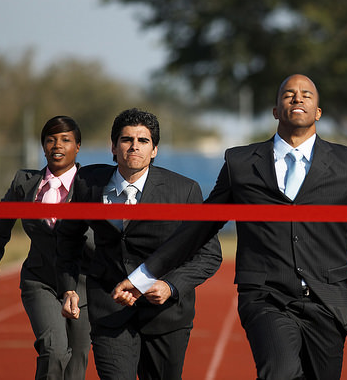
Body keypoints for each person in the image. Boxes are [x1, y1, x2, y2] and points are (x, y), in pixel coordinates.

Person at [112, 74, 347, 380]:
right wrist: (143, 276)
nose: (297, 98)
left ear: (318, 111)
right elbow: (198, 229)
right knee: (280, 372)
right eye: (288, 94)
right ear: (275, 110)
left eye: (306, 95)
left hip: (329, 301)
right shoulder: (240, 162)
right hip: (267, 297)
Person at [55, 108, 222, 380]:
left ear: (154, 150)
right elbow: (68, 236)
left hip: (166, 315)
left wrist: (170, 286)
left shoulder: (184, 190)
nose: (134, 147)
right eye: (126, 140)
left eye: (143, 141)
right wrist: (68, 288)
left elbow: (209, 254)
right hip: (109, 310)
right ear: (113, 146)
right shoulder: (88, 183)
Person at [0, 115, 92, 379]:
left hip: (83, 283)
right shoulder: (23, 182)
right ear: (43, 146)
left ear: (78, 146)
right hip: (40, 280)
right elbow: (3, 221)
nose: (57, 145)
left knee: (76, 364)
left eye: (65, 140)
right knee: (55, 351)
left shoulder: (93, 184)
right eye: (50, 140)